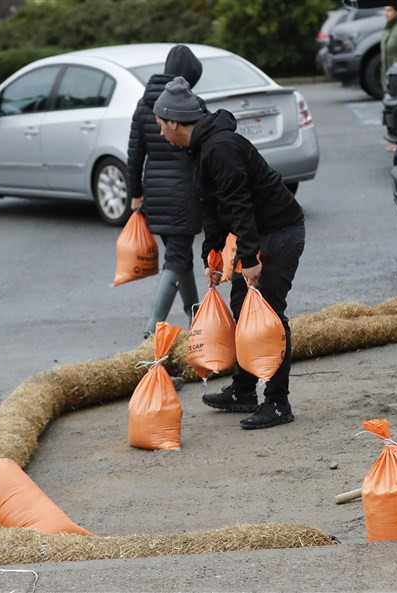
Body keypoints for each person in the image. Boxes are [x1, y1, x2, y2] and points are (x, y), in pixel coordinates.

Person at [153, 77, 306, 430]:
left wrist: (250, 259)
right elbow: (212, 204)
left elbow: (240, 204)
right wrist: (213, 252)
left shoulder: (219, 147)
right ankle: (243, 390)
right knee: (242, 305)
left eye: (161, 125)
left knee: (267, 315)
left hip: (279, 231)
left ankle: (278, 402)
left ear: (174, 122)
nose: (161, 133)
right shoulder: (201, 147)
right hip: (258, 232)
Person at [127, 45, 205, 339]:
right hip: (185, 197)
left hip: (155, 196)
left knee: (180, 258)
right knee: (175, 260)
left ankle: (196, 320)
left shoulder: (144, 103)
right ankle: (151, 331)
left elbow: (134, 156)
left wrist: (135, 193)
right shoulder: (193, 105)